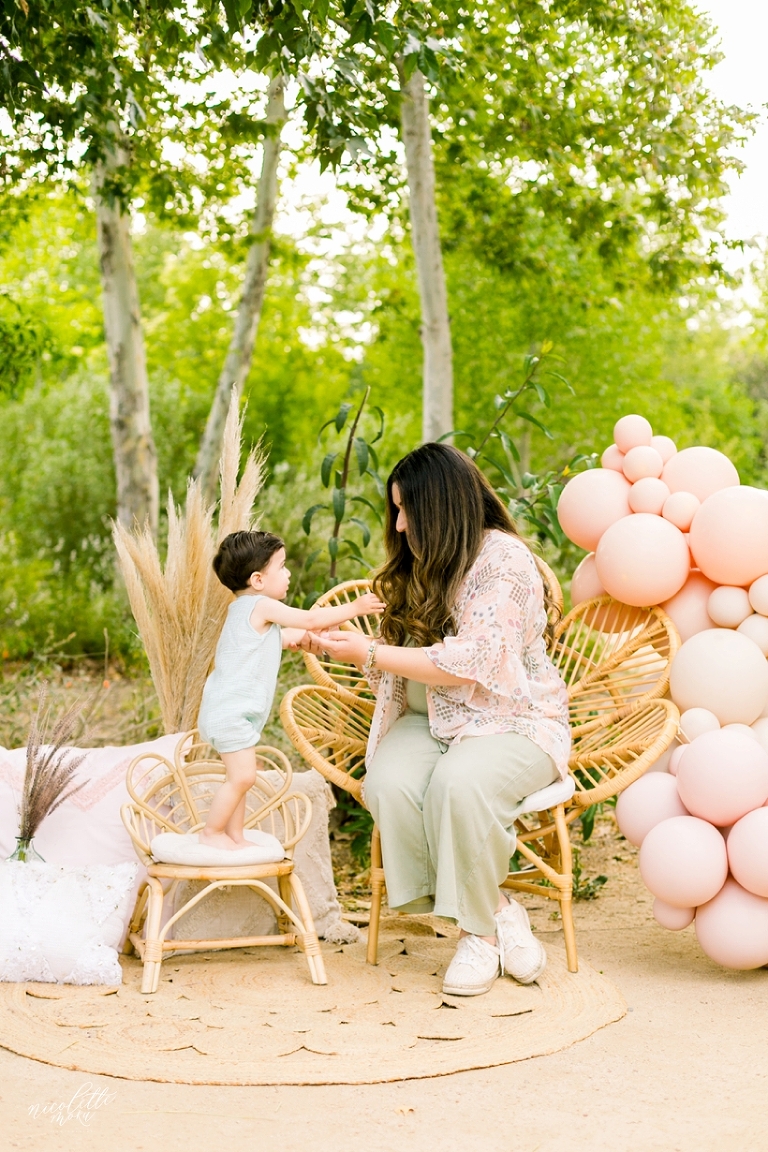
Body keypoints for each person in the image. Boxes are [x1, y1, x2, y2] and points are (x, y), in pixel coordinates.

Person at [316, 444, 571, 996]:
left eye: (407, 510)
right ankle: (499, 910)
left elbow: (472, 662)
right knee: (388, 785)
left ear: (442, 508)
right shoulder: (423, 558)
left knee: (459, 785)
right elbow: (394, 643)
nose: (400, 525)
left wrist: (368, 653)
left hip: (510, 718)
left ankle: (476, 938)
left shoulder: (503, 562)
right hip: (427, 715)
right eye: (396, 511)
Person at [197, 530, 384, 851]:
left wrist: (308, 639)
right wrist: (354, 607)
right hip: (229, 714)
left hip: (229, 713)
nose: (288, 573)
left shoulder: (244, 611)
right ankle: (211, 833)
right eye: (281, 567)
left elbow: (281, 638)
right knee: (242, 778)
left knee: (241, 778)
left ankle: (235, 836)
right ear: (257, 580)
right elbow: (310, 618)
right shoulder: (261, 605)